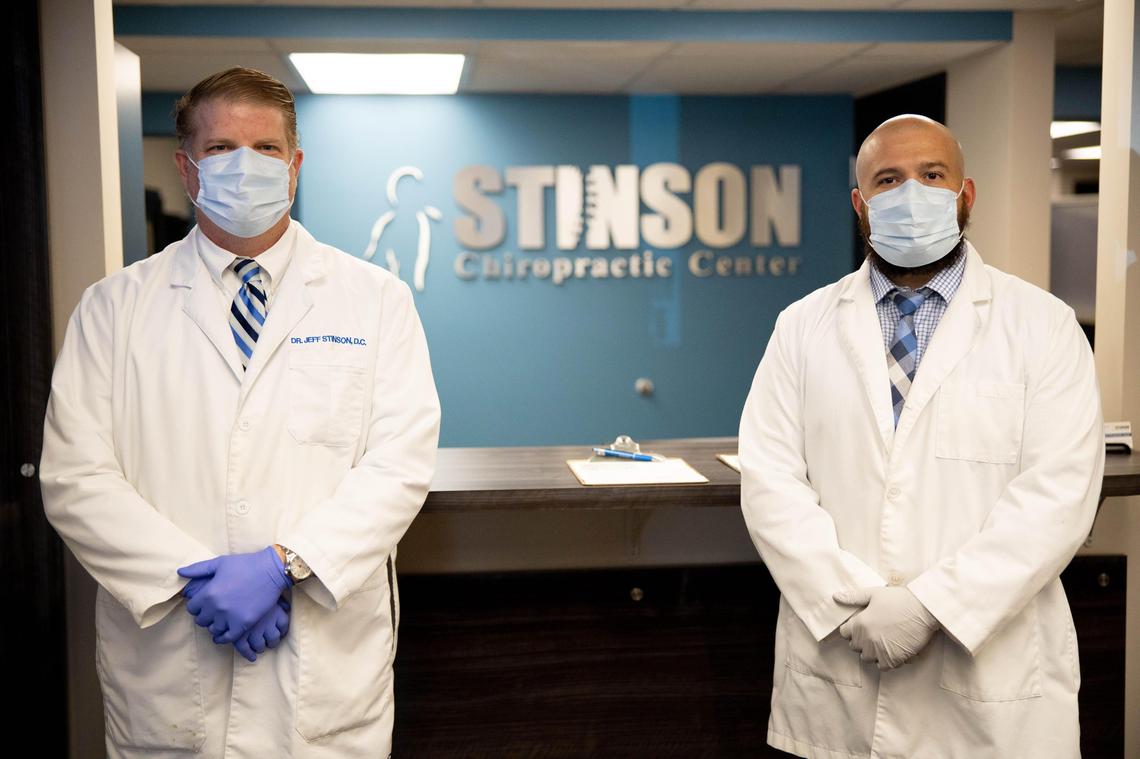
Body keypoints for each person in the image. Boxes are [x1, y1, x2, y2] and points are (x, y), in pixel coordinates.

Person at [40, 67, 440, 758]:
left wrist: (284, 564)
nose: (244, 166)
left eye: (265, 149)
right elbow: (76, 476)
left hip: (321, 674)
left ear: (295, 166)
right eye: (221, 148)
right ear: (187, 170)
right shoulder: (114, 308)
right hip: (172, 668)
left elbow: (399, 464)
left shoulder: (374, 299)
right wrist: (200, 580)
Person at [739, 114, 1104, 758]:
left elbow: (1058, 496)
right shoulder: (801, 326)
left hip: (989, 682)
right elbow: (771, 483)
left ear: (965, 195)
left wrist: (931, 606)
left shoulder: (1043, 326)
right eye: (888, 179)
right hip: (839, 668)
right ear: (861, 204)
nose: (911, 192)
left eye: (931, 175)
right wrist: (847, 604)